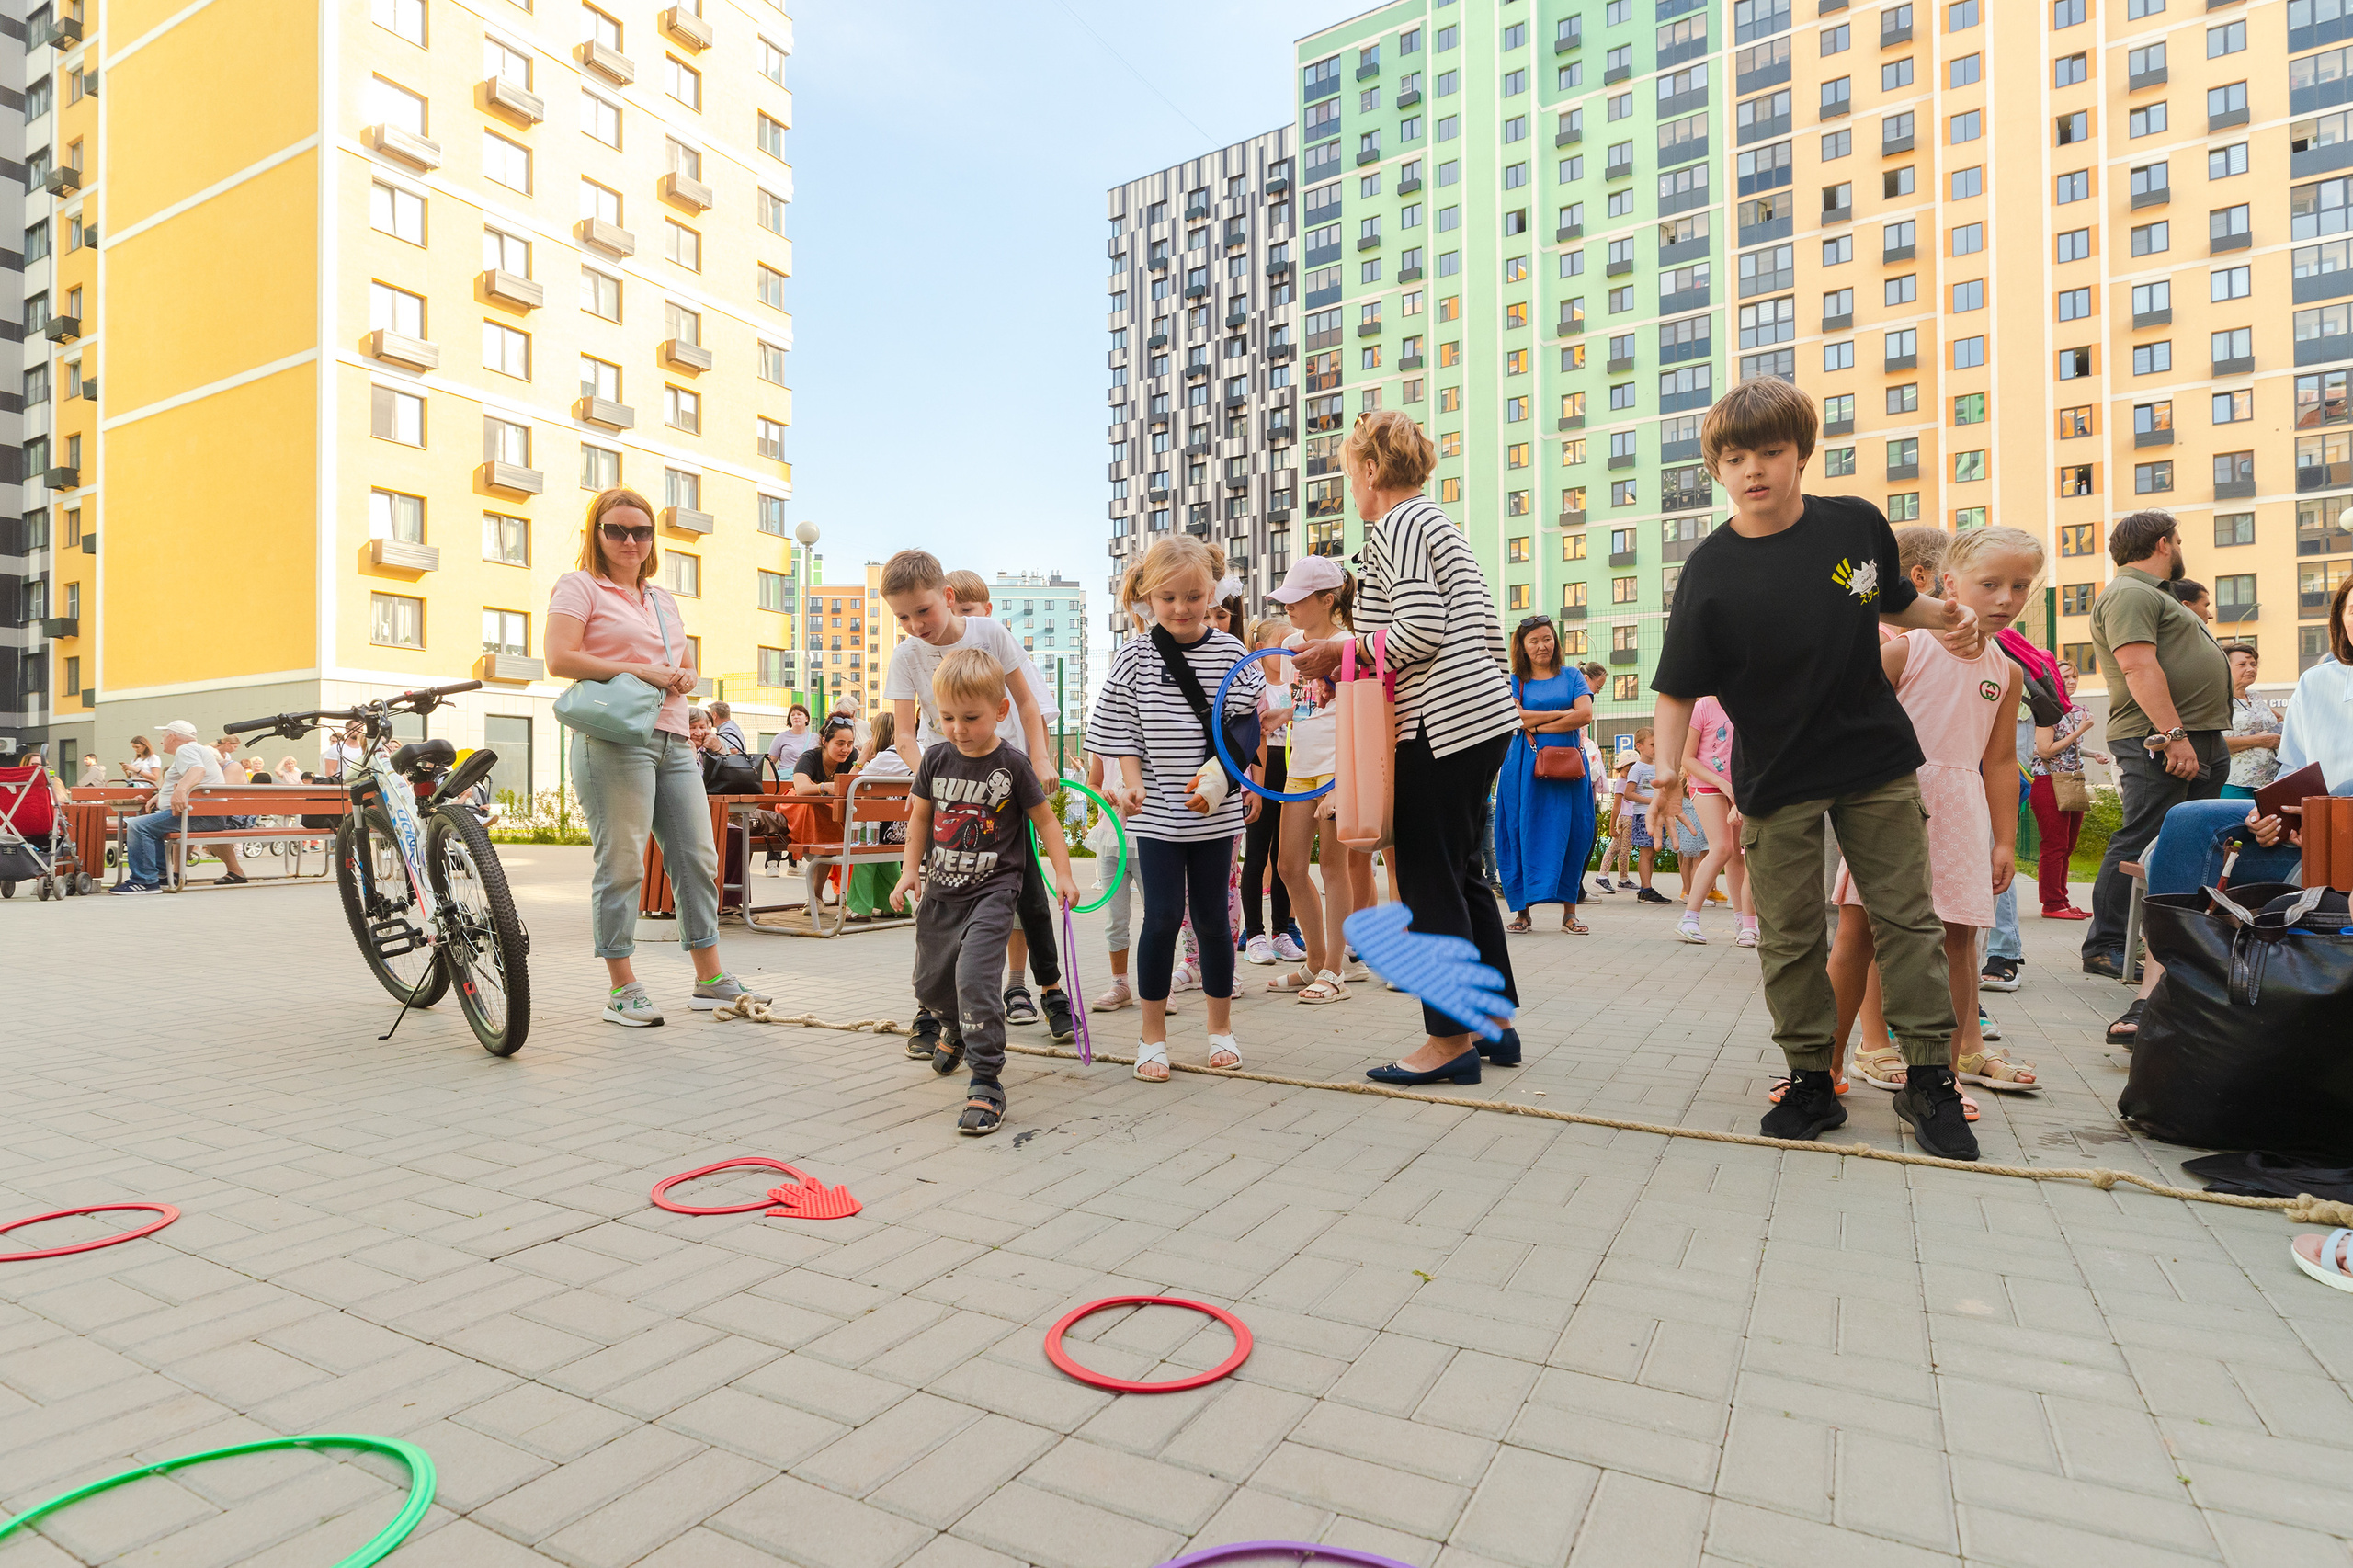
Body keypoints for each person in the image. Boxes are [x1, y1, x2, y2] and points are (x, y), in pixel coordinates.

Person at [1649, 377, 1987, 1157]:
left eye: (1772, 451)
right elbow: (1674, 688)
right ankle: (1810, 1079)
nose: (1755, 469)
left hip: (1875, 760)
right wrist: (1668, 771)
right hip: (1776, 777)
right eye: (1735, 458)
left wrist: (1949, 619)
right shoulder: (1709, 570)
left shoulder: (1856, 524)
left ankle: (1929, 1080)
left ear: (1803, 452)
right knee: (1791, 935)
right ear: (1717, 468)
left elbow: (1893, 601)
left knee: (1909, 919)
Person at [1288, 411, 1524, 1085]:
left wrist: (1342, 649)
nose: (1351, 489)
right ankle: (1493, 1025)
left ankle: (1448, 1041)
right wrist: (1352, 660)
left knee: (1425, 880)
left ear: (1369, 470)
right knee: (1460, 874)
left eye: (1348, 473)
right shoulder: (1437, 524)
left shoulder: (1396, 527)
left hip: (1441, 727)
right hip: (1479, 717)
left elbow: (1418, 631)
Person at [1830, 525, 2041, 1113]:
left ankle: (1940, 1080)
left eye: (2020, 586)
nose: (2005, 598)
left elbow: (1999, 761)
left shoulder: (2008, 670)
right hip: (1890, 803)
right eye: (1990, 583)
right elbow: (1848, 721)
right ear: (1949, 583)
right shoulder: (1906, 647)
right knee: (1859, 933)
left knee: (1957, 941)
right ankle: (1825, 1065)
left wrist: (2004, 839)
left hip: (1960, 810)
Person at [547, 486, 768, 1025]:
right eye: (616, 530)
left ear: (652, 539)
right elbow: (558, 657)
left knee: (697, 856)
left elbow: (681, 662)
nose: (629, 540)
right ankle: (622, 987)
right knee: (622, 861)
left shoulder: (664, 600)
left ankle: (709, 978)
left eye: (641, 531)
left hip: (673, 738)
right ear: (596, 535)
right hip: (616, 738)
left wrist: (685, 675)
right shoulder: (580, 587)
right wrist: (636, 671)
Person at [1087, 534, 1264, 1080]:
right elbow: (1123, 734)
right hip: (1158, 814)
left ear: (1213, 593)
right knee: (1161, 919)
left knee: (1213, 920)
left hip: (1215, 812)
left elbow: (1247, 724)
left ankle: (1220, 1030)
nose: (1182, 609)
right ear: (1147, 596)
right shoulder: (1132, 658)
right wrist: (1131, 785)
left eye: (1193, 597)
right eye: (1169, 598)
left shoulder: (1233, 652)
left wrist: (1248, 777)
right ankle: (1151, 1037)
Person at [882, 550, 1073, 1050]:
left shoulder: (988, 633)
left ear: (946, 597)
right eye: (902, 617)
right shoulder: (906, 656)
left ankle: (1050, 991)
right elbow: (905, 735)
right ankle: (931, 1010)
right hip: (951, 788)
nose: (914, 624)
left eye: (922, 611)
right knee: (937, 905)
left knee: (1029, 893)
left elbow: (1027, 701)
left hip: (1004, 782)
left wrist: (1041, 759)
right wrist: (929, 779)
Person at [892, 650, 1078, 1135]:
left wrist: (1063, 874)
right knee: (930, 984)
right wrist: (909, 872)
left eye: (970, 717)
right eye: (946, 717)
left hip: (995, 892)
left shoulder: (1011, 764)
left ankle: (986, 1080)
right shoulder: (934, 759)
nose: (957, 728)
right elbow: (919, 819)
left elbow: (1046, 821)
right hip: (940, 892)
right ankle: (953, 1028)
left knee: (975, 979)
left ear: (999, 710)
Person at [2081, 511, 2234, 979]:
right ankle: (2105, 945)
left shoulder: (2154, 594)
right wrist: (2173, 737)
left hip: (2195, 737)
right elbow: (2138, 668)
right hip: (2159, 740)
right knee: (2141, 838)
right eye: (2180, 540)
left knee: (2191, 842)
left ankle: (2173, 941)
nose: (2182, 548)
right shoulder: (2130, 592)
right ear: (2164, 543)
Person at [944, 568, 1076, 1035]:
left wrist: (1040, 761)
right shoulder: (944, 666)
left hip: (1009, 791)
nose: (961, 621)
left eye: (967, 611)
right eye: (953, 611)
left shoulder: (1000, 648)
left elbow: (1034, 708)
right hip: (963, 803)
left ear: (985, 612)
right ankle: (943, 1006)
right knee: (957, 903)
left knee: (1029, 899)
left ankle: (1041, 987)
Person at [1267, 555, 1375, 1003]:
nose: (1288, 607)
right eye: (1285, 599)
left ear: (1327, 599)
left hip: (1337, 769)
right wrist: (1285, 712)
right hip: (1300, 770)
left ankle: (1335, 970)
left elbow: (1360, 713)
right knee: (1289, 866)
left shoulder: (1352, 645)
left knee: (1335, 867)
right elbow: (1312, 703)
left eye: (1298, 599)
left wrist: (1342, 784)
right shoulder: (1292, 644)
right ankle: (1313, 960)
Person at [1495, 614, 1598, 934]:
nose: (1542, 646)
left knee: (1573, 834)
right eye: (1534, 641)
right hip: (1523, 769)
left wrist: (1535, 723)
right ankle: (1522, 913)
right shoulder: (1515, 680)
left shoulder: (1572, 676)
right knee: (1519, 831)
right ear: (1522, 647)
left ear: (1556, 641)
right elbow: (1513, 716)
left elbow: (1585, 714)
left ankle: (1570, 913)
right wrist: (1559, 714)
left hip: (1567, 768)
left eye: (1547, 639)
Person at [1239, 613, 1304, 965]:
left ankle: (1282, 931)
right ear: (1260, 649)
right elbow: (1254, 735)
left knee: (1286, 854)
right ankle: (1255, 935)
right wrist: (1257, 787)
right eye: (1284, 644)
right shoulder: (1251, 684)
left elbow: (1310, 714)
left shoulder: (1296, 684)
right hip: (1262, 771)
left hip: (1295, 766)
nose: (1290, 650)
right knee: (1257, 852)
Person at [116, 721, 249, 892]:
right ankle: (162, 877)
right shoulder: (197, 749)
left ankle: (145, 881)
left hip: (198, 815)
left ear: (172, 736)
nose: (161, 741)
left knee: (138, 825)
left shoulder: (186, 749)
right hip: (205, 814)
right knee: (148, 826)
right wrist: (160, 795)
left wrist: (181, 791)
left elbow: (197, 771)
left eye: (163, 736)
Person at [1668, 693, 1756, 945]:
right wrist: (1721, 783)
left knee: (1742, 854)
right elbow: (1687, 758)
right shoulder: (1703, 707)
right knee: (1722, 848)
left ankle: (1746, 923)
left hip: (1741, 787)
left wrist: (1739, 791)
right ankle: (1689, 919)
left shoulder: (1747, 701)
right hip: (1707, 786)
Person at [2025, 659, 2106, 920]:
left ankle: (2062, 899)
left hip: (2072, 781)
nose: (2071, 681)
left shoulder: (2073, 710)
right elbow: (2046, 750)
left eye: (2074, 677)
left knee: (2068, 845)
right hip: (2048, 781)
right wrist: (2081, 730)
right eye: (2065, 677)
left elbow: (2069, 747)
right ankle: (2051, 903)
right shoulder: (2045, 709)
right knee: (2054, 845)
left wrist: (2093, 753)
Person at [2220, 642, 2281, 801]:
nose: (2250, 668)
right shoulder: (2216, 700)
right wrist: (2257, 740)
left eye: (2253, 664)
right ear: (2224, 667)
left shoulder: (2255, 697)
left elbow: (2277, 720)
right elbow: (2212, 744)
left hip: (2270, 782)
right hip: (2235, 782)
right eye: (2242, 664)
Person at [767, 704, 817, 774]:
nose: (796, 717)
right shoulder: (780, 737)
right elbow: (770, 761)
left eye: (799, 714)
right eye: (793, 715)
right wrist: (774, 779)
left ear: (806, 718)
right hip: (785, 780)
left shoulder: (816, 738)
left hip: (808, 779)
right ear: (789, 719)